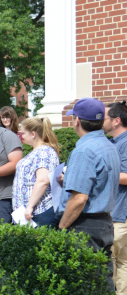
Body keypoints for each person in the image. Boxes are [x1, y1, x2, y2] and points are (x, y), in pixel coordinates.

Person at [57, 98, 120, 289]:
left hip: (84, 226)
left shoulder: (84, 150)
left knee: (84, 284)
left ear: (77, 121)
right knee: (102, 281)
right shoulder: (110, 146)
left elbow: (79, 198)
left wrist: (62, 226)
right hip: (104, 223)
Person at [11, 117, 60, 228]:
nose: (22, 136)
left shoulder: (44, 151)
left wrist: (30, 206)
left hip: (38, 212)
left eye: (23, 133)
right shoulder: (36, 151)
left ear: (33, 134)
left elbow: (43, 180)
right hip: (30, 213)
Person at [104, 101, 127, 293]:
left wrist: (97, 172)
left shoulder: (126, 143)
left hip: (120, 215)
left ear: (116, 121)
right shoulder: (113, 142)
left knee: (114, 263)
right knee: (122, 263)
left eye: (104, 118)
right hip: (116, 212)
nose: (101, 122)